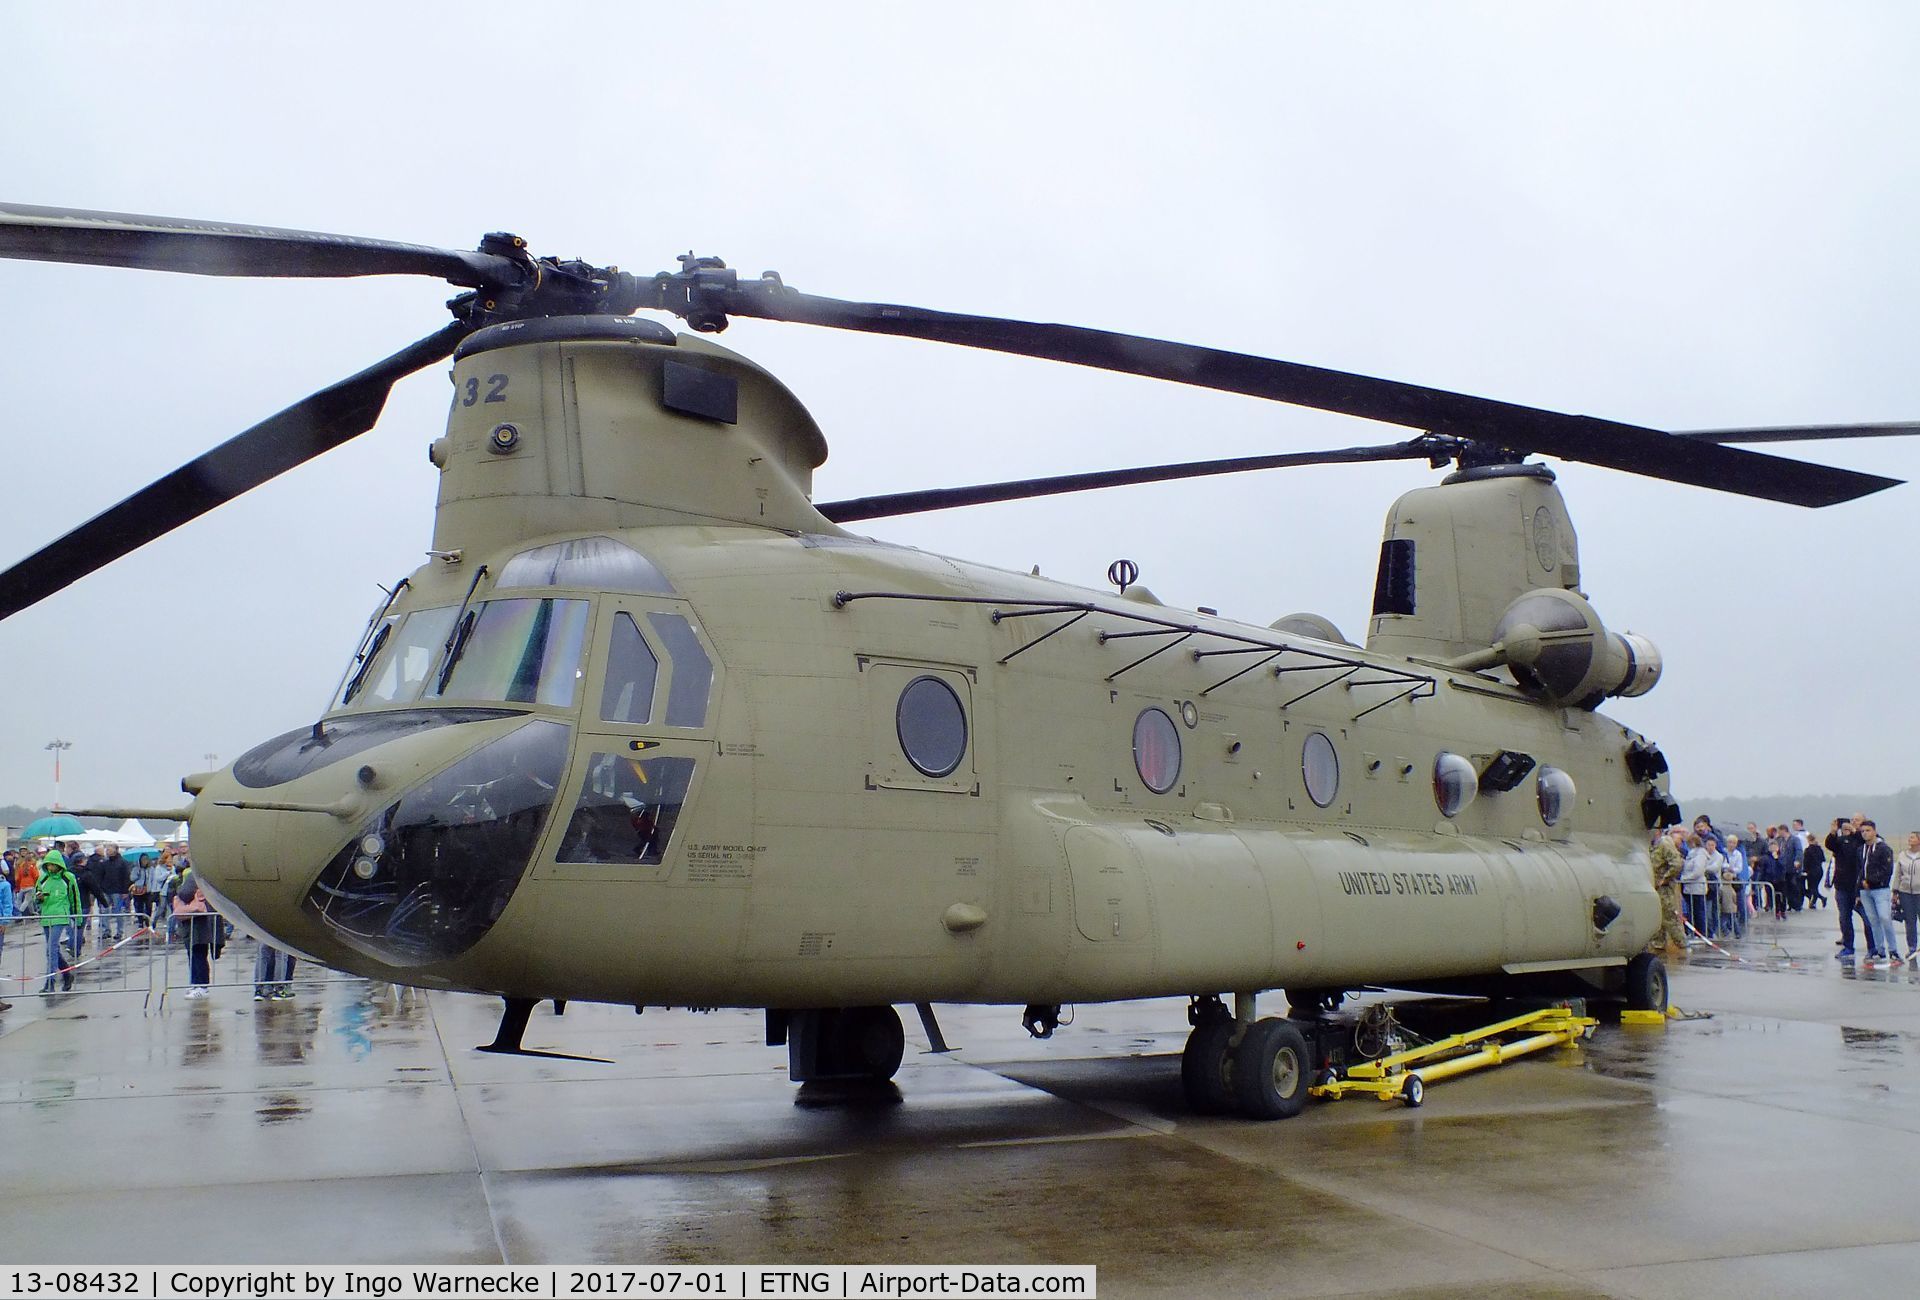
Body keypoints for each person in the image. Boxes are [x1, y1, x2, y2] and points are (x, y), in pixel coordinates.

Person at [35, 847, 81, 993]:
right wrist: (39, 898)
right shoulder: (42, 878)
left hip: (60, 916)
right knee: (51, 949)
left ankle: (50, 982)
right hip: (46, 916)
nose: (51, 867)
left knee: (52, 948)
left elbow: (75, 898)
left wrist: (77, 917)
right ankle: (67, 974)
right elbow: (36, 898)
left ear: (59, 864)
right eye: (48, 864)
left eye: (53, 864)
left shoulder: (68, 877)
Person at [1859, 820, 1900, 965]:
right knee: (1873, 920)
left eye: (1868, 830)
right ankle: (1879, 950)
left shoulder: (1884, 848)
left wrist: (1870, 880)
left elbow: (1887, 870)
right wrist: (1860, 886)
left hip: (1880, 889)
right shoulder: (1861, 849)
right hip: (1864, 891)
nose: (1865, 833)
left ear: (1874, 831)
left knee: (1884, 918)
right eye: (1863, 831)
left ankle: (1894, 950)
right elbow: (1858, 869)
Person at [1828, 816, 1866, 959]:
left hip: (1859, 886)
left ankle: (1873, 948)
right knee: (1844, 918)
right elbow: (1830, 845)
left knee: (1867, 919)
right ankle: (1848, 946)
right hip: (1842, 885)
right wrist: (1833, 832)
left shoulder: (1861, 838)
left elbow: (1863, 842)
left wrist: (1855, 831)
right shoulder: (1840, 841)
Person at [172, 876, 216, 998]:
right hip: (197, 926)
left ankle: (201, 985)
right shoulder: (200, 877)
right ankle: (196, 984)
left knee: (198, 956)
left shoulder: (194, 876)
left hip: (198, 926)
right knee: (196, 955)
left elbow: (183, 893)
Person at [1649, 826, 1688, 956]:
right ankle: (1659, 945)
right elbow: (1675, 863)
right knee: (1659, 917)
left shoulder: (1663, 843)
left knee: (1669, 917)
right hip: (1656, 887)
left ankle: (1681, 944)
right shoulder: (1660, 844)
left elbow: (1677, 864)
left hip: (1662, 888)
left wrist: (1665, 879)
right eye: (1680, 838)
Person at [1682, 833, 1719, 942]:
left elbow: (1698, 871)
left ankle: (1701, 935)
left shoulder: (1700, 854)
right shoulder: (1692, 854)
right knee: (1692, 912)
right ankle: (1694, 933)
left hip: (1697, 887)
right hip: (1690, 887)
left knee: (1699, 912)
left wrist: (1685, 878)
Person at [1893, 831, 1920, 965]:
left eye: (1913, 837)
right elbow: (1898, 874)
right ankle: (1912, 947)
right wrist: (1895, 891)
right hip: (1905, 893)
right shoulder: (1903, 855)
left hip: (1919, 893)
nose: (1910, 839)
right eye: (1909, 837)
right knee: (1910, 921)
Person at [1803, 833, 1828, 909]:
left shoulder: (1808, 850)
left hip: (1811, 871)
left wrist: (1805, 870)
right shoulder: (1819, 849)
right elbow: (1823, 859)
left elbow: (1806, 862)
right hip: (1819, 870)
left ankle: (1821, 898)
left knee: (1812, 888)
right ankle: (1813, 902)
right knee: (1815, 887)